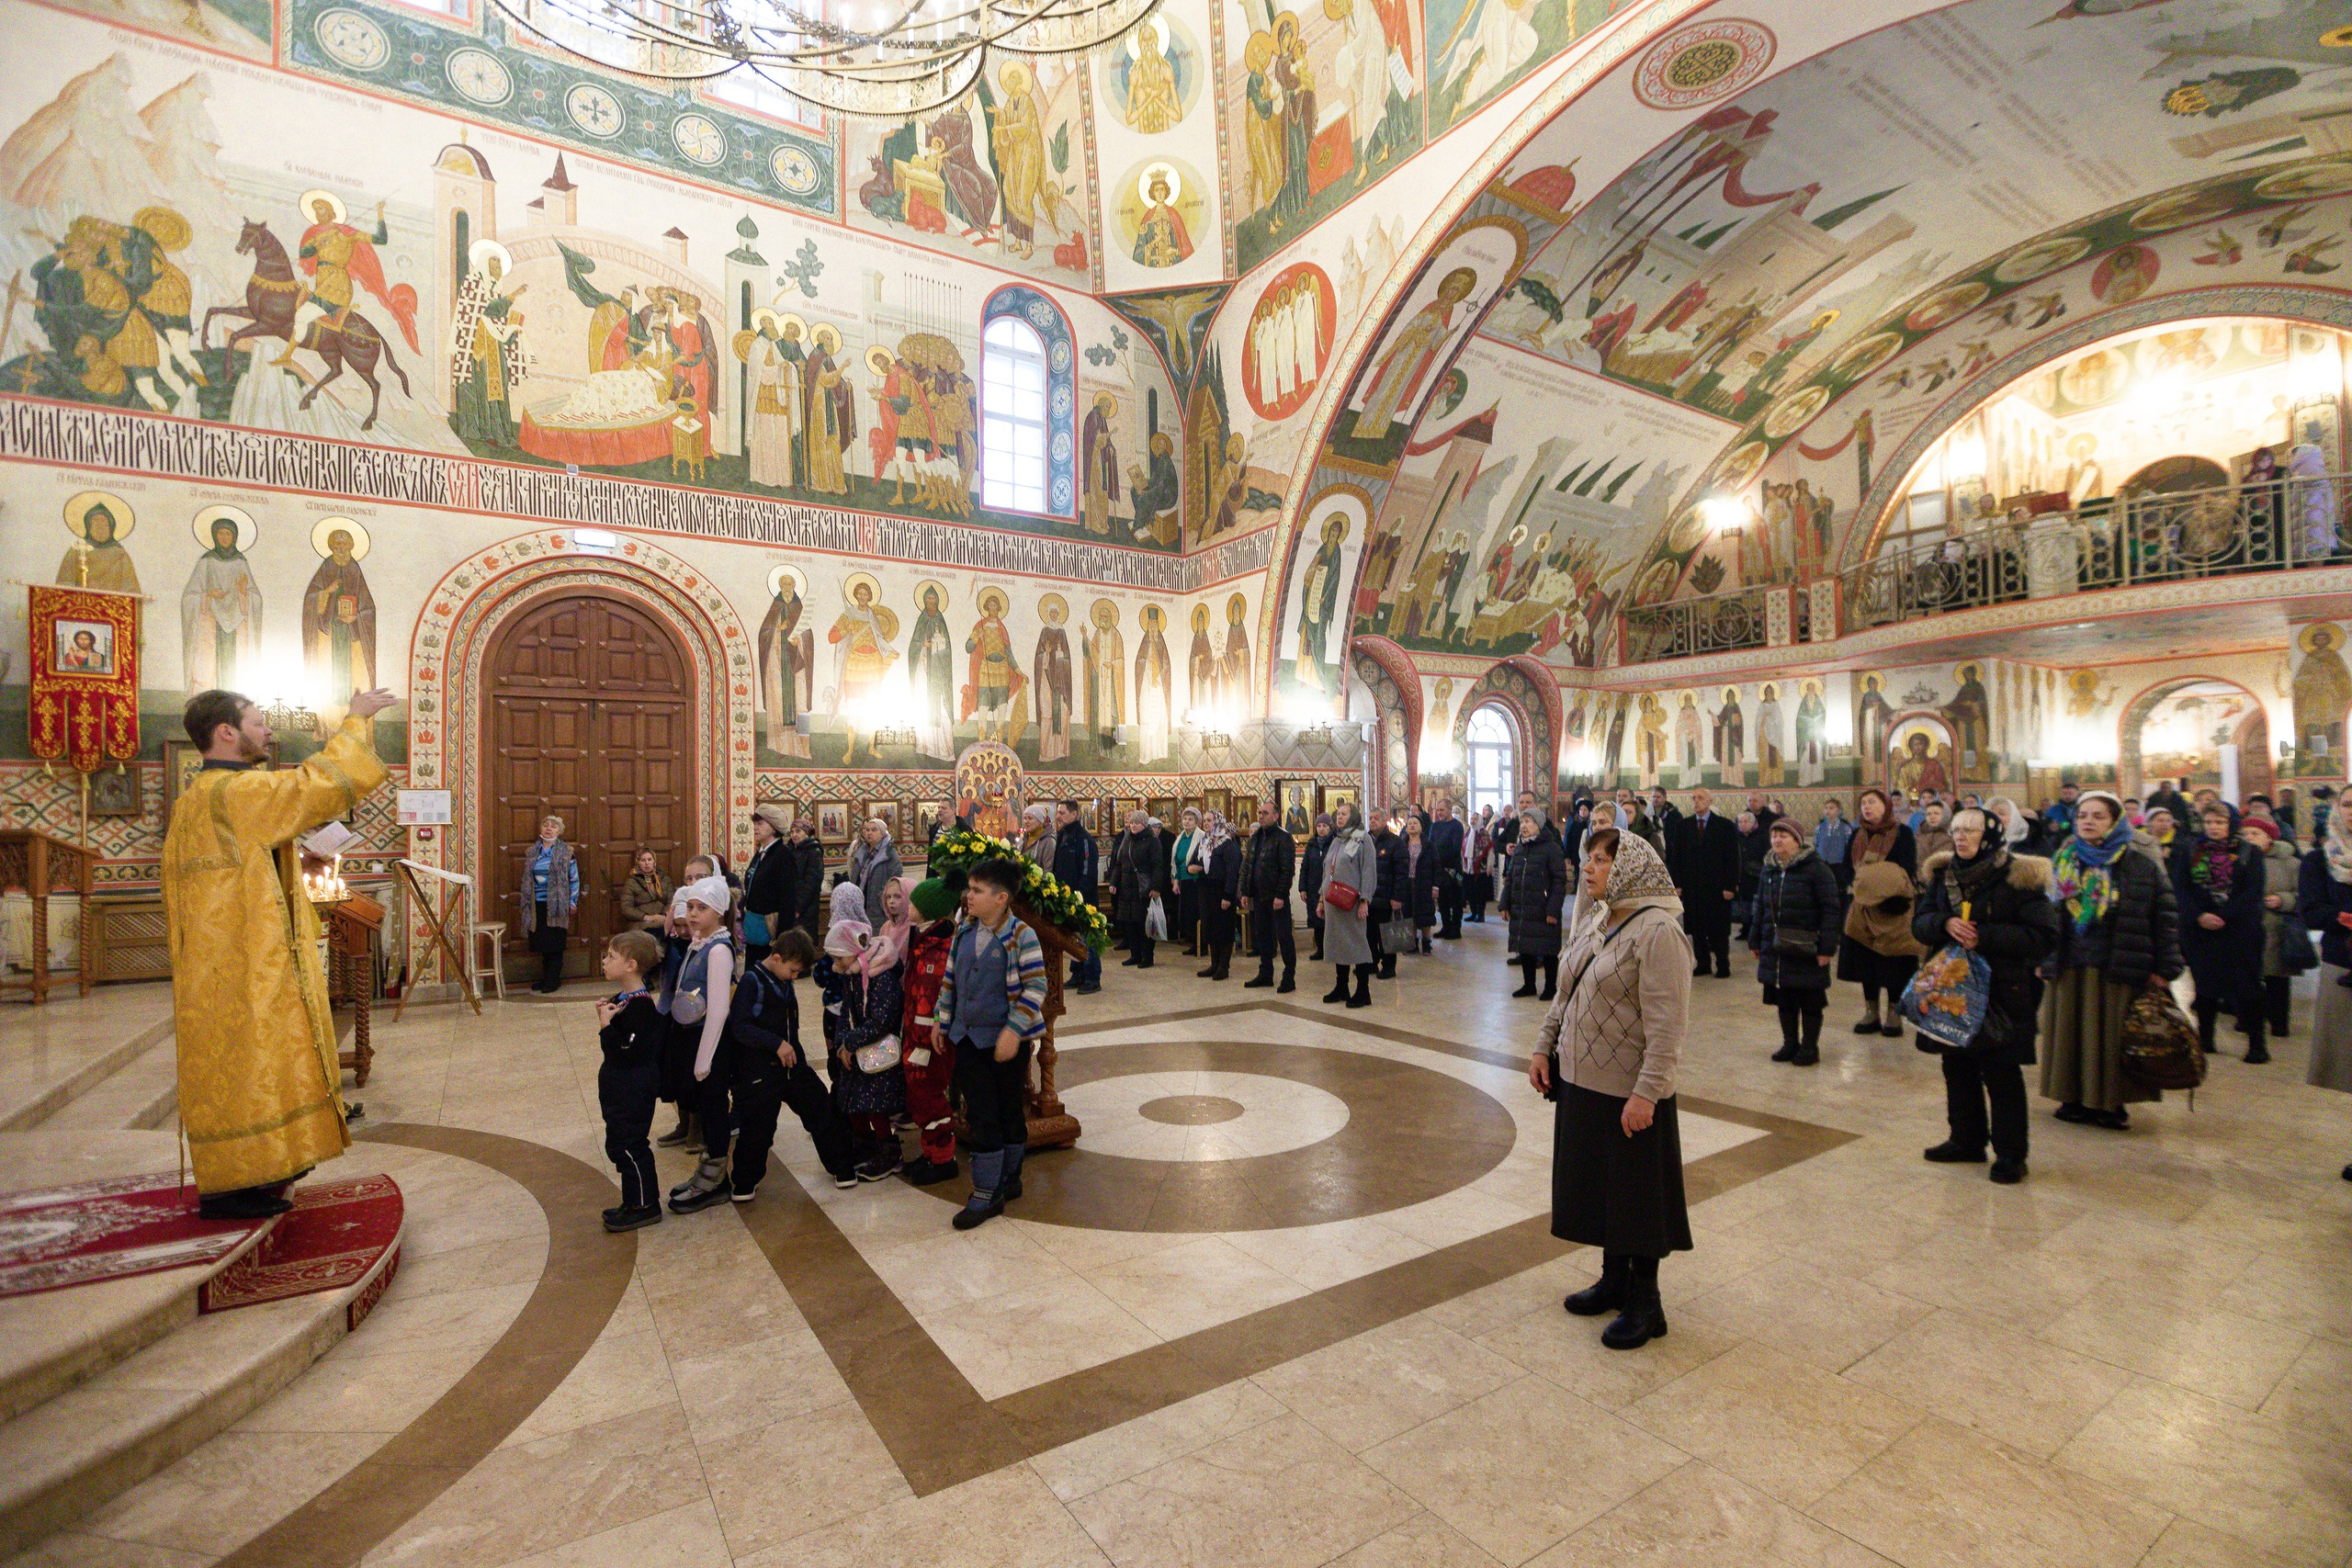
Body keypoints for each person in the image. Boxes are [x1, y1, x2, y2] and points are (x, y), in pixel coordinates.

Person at [163, 685, 393, 1219]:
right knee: (254, 1059)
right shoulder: (233, 792)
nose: (269, 731)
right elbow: (321, 785)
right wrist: (354, 720)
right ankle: (235, 1185)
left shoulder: (197, 797)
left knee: (252, 1062)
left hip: (226, 957)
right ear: (226, 732)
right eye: (259, 721)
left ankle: (258, 1168)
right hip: (246, 958)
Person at [1530, 829, 1692, 1351]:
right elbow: (1565, 989)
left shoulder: (1659, 932)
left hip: (1629, 1090)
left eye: (1603, 860)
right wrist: (1542, 1046)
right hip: (1582, 1079)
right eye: (1590, 859)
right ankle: (1613, 1280)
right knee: (1602, 1186)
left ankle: (1647, 1302)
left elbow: (1668, 1026)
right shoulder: (1602, 918)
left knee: (1636, 1194)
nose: (1591, 868)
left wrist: (1649, 1092)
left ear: (1631, 869)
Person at [1914, 807, 2058, 1183]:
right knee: (1956, 1066)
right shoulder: (1943, 874)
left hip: (2003, 988)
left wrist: (1986, 936)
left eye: (1970, 831)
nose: (1960, 837)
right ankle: (1966, 1140)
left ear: (1991, 836)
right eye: (1956, 830)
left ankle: (2011, 1155)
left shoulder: (2017, 877)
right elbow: (1920, 922)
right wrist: (1944, 923)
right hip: (1952, 988)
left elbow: (2043, 936)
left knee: (2001, 1074)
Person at [2041, 791, 2181, 1131]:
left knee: (2111, 1035)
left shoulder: (2138, 864)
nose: (2088, 821)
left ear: (2117, 822)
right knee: (2071, 1034)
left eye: (2098, 816)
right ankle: (2072, 1098)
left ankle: (2110, 1103)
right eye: (2082, 816)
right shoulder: (2062, 861)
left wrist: (2166, 969)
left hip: (2119, 963)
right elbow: (2045, 915)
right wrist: (2041, 957)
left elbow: (2163, 917)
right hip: (2070, 963)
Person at [935, 857, 1048, 1229]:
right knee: (981, 1113)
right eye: (969, 888)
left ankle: (1007, 1179)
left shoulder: (1021, 935)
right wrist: (941, 1020)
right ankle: (986, 1192)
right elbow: (950, 978)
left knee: (1008, 1110)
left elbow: (1036, 987)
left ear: (1001, 898)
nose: (969, 896)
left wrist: (1014, 1030)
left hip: (1005, 1043)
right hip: (968, 1039)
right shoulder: (965, 930)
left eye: (977, 890)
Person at [724, 924, 857, 1200]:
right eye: (793, 970)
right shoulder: (752, 982)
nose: (795, 977)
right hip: (760, 1073)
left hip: (793, 1067)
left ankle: (841, 1166)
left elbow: (791, 1028)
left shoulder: (784, 981)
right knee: (758, 1127)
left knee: (821, 1109)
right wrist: (776, 1044)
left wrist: (798, 1059)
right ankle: (745, 1181)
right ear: (776, 958)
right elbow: (739, 1027)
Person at [666, 874, 746, 1213]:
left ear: (719, 912)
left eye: (702, 908)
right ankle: (706, 1172)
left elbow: (718, 1009)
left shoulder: (718, 950)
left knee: (714, 1108)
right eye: (690, 906)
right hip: (693, 1037)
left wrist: (704, 1058)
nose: (693, 913)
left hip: (709, 1041)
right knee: (703, 1103)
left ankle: (715, 1179)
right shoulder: (699, 943)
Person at [824, 876, 911, 1179]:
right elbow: (847, 1010)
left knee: (875, 1104)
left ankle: (889, 1151)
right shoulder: (852, 970)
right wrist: (842, 1044)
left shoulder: (880, 975)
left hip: (878, 1048)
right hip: (856, 1047)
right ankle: (864, 1146)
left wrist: (852, 1042)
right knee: (852, 1101)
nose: (835, 963)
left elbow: (883, 1019)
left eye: (838, 956)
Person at [2177, 802, 2268, 1065]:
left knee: (2247, 986)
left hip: (2240, 930)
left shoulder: (2249, 853)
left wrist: (2224, 916)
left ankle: (2257, 1044)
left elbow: (2253, 892)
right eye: (2208, 822)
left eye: (2219, 822)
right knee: (2204, 986)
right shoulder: (2191, 850)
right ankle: (2206, 1038)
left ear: (2231, 824)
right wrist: (2199, 915)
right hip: (2201, 930)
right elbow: (2181, 888)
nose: (2213, 828)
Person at [1749, 817, 1841, 1066]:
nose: (1777, 840)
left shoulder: (1817, 869)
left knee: (1810, 1000)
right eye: (1774, 835)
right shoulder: (1769, 868)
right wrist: (1755, 938)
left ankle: (1810, 1047)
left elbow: (1831, 909)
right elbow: (1761, 907)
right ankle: (1790, 1043)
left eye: (1783, 835)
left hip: (1807, 946)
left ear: (1798, 840)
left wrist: (1827, 947)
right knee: (1784, 999)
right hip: (1777, 946)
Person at [594, 930, 668, 1232]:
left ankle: (645, 1206)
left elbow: (626, 1051)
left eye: (611, 956)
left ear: (631, 965)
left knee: (629, 1145)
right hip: (619, 1085)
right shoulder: (624, 999)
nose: (604, 961)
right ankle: (632, 1199)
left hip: (632, 1087)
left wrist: (606, 1026)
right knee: (618, 1144)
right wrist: (608, 1017)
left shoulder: (641, 1007)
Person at [2298, 807, 2352, 1181]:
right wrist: (2345, 916)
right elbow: (2312, 912)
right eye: (2348, 804)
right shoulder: (2320, 859)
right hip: (2343, 963)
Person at [1838, 789, 1920, 1036]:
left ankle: (1894, 1013)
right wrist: (1854, 886)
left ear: (1885, 806)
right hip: (1862, 906)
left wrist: (1884, 891)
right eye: (1863, 803)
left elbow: (1906, 866)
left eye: (1872, 802)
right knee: (1866, 961)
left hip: (1893, 906)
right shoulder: (1856, 834)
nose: (1867, 807)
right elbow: (1845, 866)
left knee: (1895, 959)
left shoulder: (1902, 833)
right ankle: (1871, 1011)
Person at [899, 876, 961, 1184]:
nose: (908, 906)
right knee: (918, 1096)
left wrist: (922, 1040)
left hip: (930, 1042)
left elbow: (935, 997)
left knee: (929, 1095)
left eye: (913, 903)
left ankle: (943, 1159)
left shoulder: (939, 949)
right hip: (915, 1036)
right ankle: (929, 1153)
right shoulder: (923, 939)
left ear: (928, 911)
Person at [1667, 788, 1740, 978]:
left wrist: (1730, 886)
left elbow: (1733, 858)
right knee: (1696, 927)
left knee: (1719, 928)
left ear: (1710, 801)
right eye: (1693, 798)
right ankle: (1703, 963)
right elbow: (1676, 858)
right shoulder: (1683, 826)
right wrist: (1677, 884)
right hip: (1692, 886)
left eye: (1700, 798)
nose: (1696, 801)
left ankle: (1723, 964)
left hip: (1717, 886)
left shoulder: (1725, 826)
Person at [2246, 815, 2303, 1044]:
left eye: (2255, 834)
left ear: (2269, 837)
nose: (2249, 838)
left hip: (2276, 927)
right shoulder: (2237, 859)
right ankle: (2249, 1020)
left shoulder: (2290, 863)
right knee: (2249, 976)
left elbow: (2304, 896)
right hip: (2247, 926)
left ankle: (2279, 1022)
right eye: (2245, 834)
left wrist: (2283, 900)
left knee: (2277, 979)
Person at [1507, 807, 1569, 999]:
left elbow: (1559, 881)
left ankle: (1550, 987)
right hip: (1522, 906)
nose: (1523, 826)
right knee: (1526, 947)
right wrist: (1504, 903)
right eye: (1522, 822)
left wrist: (1553, 909)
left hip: (1543, 907)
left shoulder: (1552, 848)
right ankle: (1529, 985)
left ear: (1539, 825)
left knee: (1548, 948)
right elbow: (1510, 877)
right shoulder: (1520, 848)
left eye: (1528, 822)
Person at [1319, 801, 1376, 1008]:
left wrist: (1365, 900)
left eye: (1344, 814)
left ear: (1353, 817)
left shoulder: (1363, 839)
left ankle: (1363, 991)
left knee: (1356, 944)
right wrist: (1320, 899)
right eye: (1338, 814)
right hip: (1333, 902)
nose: (1339, 817)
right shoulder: (1337, 841)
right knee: (1337, 944)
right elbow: (1328, 870)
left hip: (1352, 903)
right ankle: (1341, 987)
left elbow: (1368, 871)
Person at [520, 814, 581, 994]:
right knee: (542, 943)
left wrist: (573, 901)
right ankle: (546, 977)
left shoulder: (567, 851)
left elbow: (574, 878)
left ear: (559, 831)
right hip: (536, 903)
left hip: (557, 904)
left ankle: (553, 980)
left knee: (555, 943)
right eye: (545, 825)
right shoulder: (532, 851)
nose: (548, 828)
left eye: (553, 826)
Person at [1242, 799, 1296, 992]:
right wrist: (1246, 891)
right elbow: (1248, 865)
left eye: (1265, 813)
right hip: (1258, 895)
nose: (1261, 816)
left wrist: (1281, 894)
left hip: (1276, 897)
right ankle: (1265, 973)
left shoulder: (1283, 838)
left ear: (1276, 816)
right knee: (1262, 936)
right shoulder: (1256, 837)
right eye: (1260, 812)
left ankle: (1289, 977)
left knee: (1283, 937)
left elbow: (1287, 870)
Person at [1053, 801, 1102, 994]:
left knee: (1088, 938)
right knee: (1073, 939)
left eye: (1062, 813)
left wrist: (1080, 896)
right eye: (1058, 812)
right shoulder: (1062, 836)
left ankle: (1092, 978)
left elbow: (1088, 871)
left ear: (1074, 815)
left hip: (1084, 899)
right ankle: (1077, 974)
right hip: (1066, 898)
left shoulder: (1084, 839)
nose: (1058, 816)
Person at [1108, 809, 1169, 965]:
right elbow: (1120, 863)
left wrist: (1156, 887)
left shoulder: (1152, 840)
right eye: (1131, 823)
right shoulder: (1128, 839)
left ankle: (1147, 957)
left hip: (1144, 889)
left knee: (1144, 924)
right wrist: (1114, 882)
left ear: (1144, 824)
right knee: (1129, 924)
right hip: (1126, 889)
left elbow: (1157, 866)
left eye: (1137, 823)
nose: (1133, 825)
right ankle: (1135, 955)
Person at [1193, 810, 1241, 981]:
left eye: (1209, 820)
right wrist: (1191, 867)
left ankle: (1224, 967)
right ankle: (1214, 964)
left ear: (1219, 822)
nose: (1206, 823)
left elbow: (1232, 873)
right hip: (1206, 892)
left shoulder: (1228, 845)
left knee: (1223, 930)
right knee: (1211, 929)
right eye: (1204, 821)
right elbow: (1194, 862)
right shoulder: (1205, 842)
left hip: (1222, 893)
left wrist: (1228, 896)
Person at [741, 805, 791, 963]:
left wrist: (782, 937)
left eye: (760, 824)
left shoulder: (783, 855)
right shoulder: (760, 854)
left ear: (774, 828)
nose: (755, 828)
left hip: (770, 931)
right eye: (755, 824)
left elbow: (788, 899)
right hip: (754, 926)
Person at [1369, 809, 1408, 978]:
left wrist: (1397, 896)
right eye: (1370, 818)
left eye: (1376, 818)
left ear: (1385, 821)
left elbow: (1401, 872)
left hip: (1386, 896)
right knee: (1369, 933)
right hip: (1368, 896)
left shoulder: (1395, 842)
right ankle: (1371, 963)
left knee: (1386, 932)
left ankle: (1389, 966)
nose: (1372, 821)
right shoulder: (1366, 840)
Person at [846, 817, 903, 925]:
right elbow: (855, 875)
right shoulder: (861, 851)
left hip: (878, 907)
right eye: (867, 830)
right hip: (860, 903)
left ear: (882, 833)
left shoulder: (889, 853)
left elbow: (896, 877)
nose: (869, 833)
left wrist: (883, 897)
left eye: (874, 830)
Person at [1170, 807, 1205, 956]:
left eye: (1190, 819)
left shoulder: (1201, 836)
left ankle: (1202, 945)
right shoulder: (1181, 838)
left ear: (1197, 822)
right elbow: (1176, 862)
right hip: (1184, 880)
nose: (1187, 822)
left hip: (1197, 881)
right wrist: (1176, 881)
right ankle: (1193, 943)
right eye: (1185, 819)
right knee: (1187, 914)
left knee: (1196, 913)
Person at [1429, 801, 1466, 939]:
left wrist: (1439, 860)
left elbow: (1455, 848)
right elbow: (1430, 844)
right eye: (1438, 810)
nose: (1439, 813)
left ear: (1450, 810)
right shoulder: (1435, 825)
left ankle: (1456, 928)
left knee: (1455, 900)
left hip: (1453, 868)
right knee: (1442, 900)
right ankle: (1446, 926)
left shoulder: (1457, 826)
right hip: (1439, 869)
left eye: (1442, 810)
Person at [1402, 813, 1439, 955]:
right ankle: (1412, 943)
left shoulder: (1428, 845)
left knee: (1425, 914)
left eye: (1415, 823)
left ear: (1421, 827)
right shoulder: (1402, 844)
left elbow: (1436, 866)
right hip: (1407, 883)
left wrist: (1435, 886)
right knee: (1409, 913)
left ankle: (1426, 942)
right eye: (1409, 823)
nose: (1412, 825)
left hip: (1424, 883)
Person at [786, 817, 826, 943]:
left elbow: (812, 882)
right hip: (791, 902)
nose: (794, 835)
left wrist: (798, 907)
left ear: (806, 832)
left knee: (803, 941)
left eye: (798, 831)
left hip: (806, 906)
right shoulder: (791, 850)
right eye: (792, 832)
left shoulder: (813, 851)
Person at [618, 848, 672, 938]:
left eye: (649, 860)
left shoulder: (664, 879)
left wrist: (664, 916)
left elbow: (672, 900)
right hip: (641, 922)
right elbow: (626, 908)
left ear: (654, 862)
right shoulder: (632, 882)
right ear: (638, 862)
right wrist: (648, 917)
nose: (647, 863)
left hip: (663, 919)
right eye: (643, 860)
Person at [1301, 812, 1333, 960]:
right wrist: (1302, 888)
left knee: (1330, 920)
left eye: (1324, 826)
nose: (1321, 829)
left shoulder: (1334, 843)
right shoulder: (1311, 844)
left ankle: (1331, 949)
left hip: (1330, 888)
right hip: (1313, 887)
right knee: (1317, 920)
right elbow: (1304, 867)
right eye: (1319, 826)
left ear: (1330, 828)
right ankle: (1320, 949)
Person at [1735, 810, 1768, 939]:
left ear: (1753, 823)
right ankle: (1746, 929)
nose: (1742, 824)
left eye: (1746, 821)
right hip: (1741, 877)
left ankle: (1756, 931)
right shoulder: (1736, 838)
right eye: (1740, 822)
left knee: (1756, 906)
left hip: (1756, 876)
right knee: (1744, 906)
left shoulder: (1762, 837)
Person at [1813, 797, 1854, 899]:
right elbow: (1815, 844)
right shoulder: (1820, 827)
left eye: (1831, 808)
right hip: (1823, 863)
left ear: (1838, 811)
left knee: (1839, 890)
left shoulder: (1845, 828)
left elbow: (1849, 847)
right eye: (1826, 808)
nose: (1828, 811)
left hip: (1839, 864)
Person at [1465, 807, 1494, 925]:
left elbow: (1490, 850)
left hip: (1481, 868)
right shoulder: (1468, 832)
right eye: (1471, 818)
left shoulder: (1484, 833)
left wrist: (1490, 865)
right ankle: (1473, 913)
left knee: (1480, 894)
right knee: (1471, 892)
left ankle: (1480, 914)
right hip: (1469, 867)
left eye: (1475, 819)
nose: (1472, 821)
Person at [1914, 797, 1955, 864]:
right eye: (1928, 814)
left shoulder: (1953, 834)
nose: (1932, 817)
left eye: (1936, 813)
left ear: (1946, 815)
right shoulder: (1920, 834)